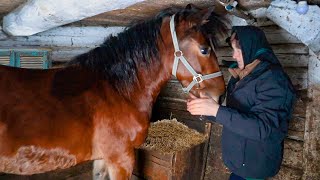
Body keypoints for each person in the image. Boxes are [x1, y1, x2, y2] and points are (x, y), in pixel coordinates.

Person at [187, 26, 296, 180]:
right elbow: (234, 116)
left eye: (238, 50)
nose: (233, 55)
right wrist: (205, 109)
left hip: (255, 164)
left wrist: (216, 110)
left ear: (251, 47)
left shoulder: (274, 80)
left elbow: (263, 128)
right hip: (239, 162)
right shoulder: (239, 76)